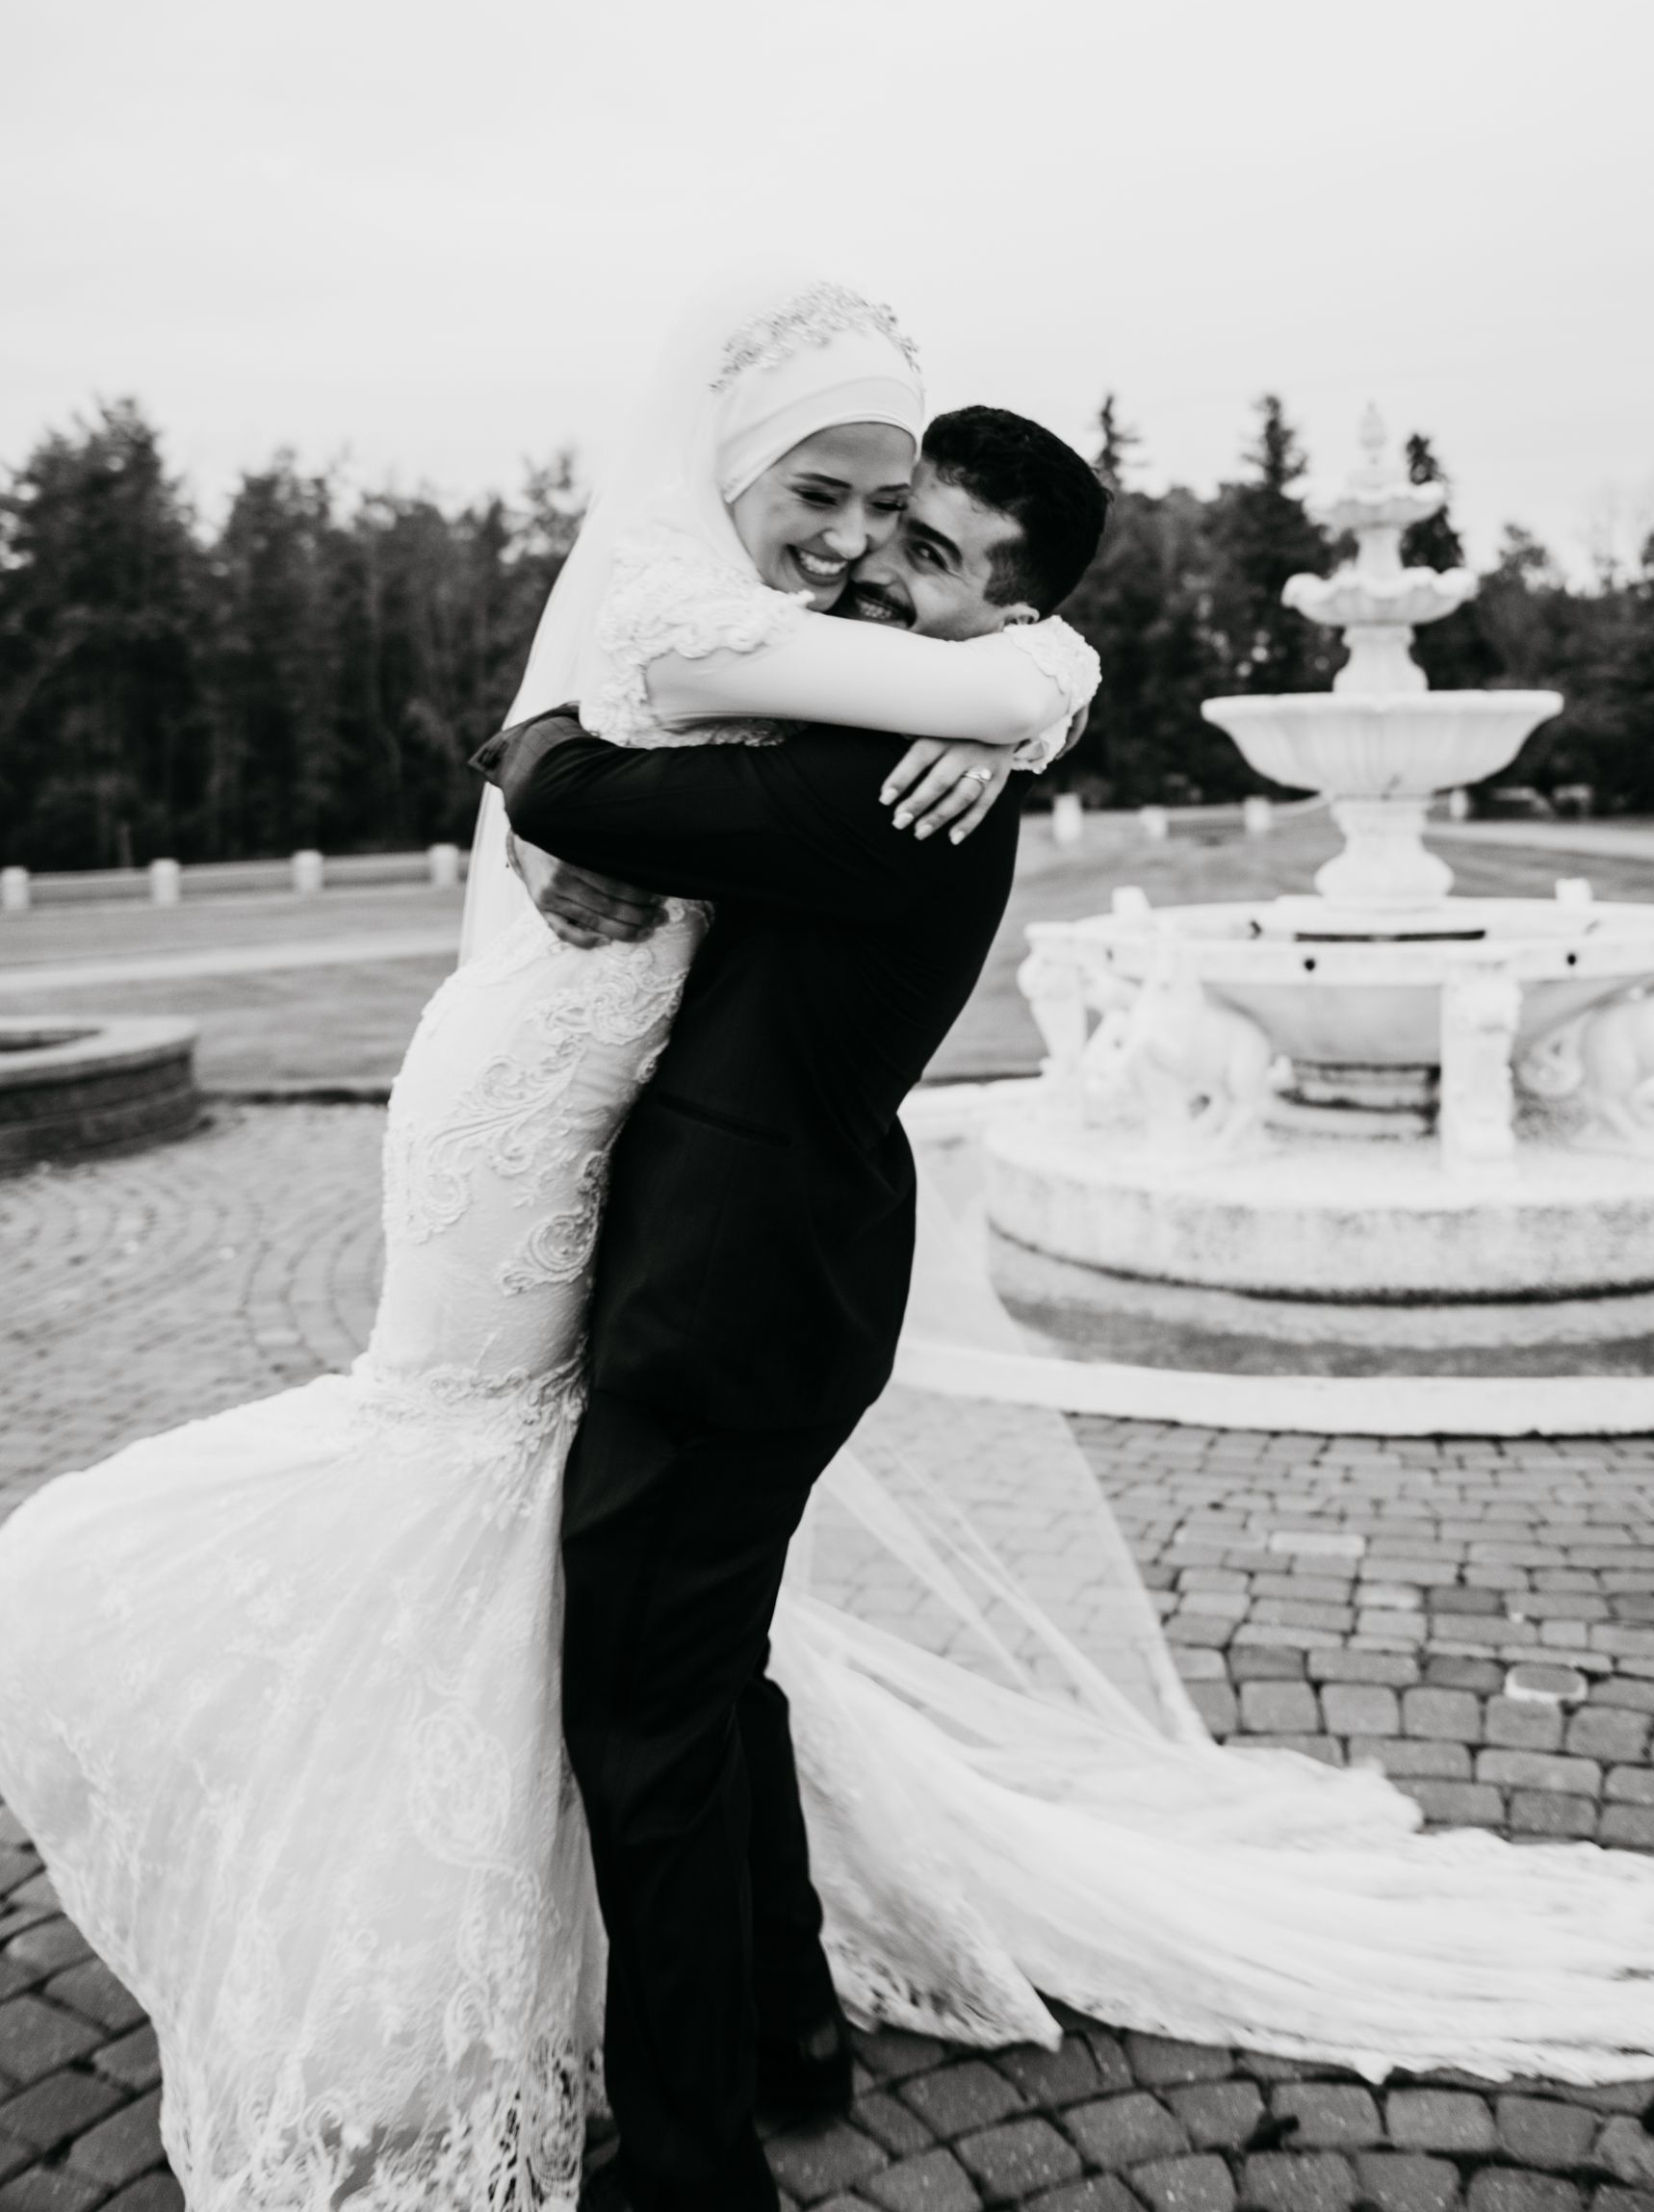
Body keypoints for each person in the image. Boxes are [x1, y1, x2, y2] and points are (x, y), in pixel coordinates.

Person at [0, 277, 1109, 2212]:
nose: (873, 573)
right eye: (874, 520)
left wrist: (1027, 700)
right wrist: (1026, 694)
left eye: (932, 558)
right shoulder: (889, 734)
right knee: (718, 1676)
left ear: (1007, 609)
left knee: (646, 1720)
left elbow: (572, 776)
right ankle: (780, 2036)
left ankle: (692, 2172)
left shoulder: (888, 780)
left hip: (736, 1296)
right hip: (772, 1275)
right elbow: (631, 806)